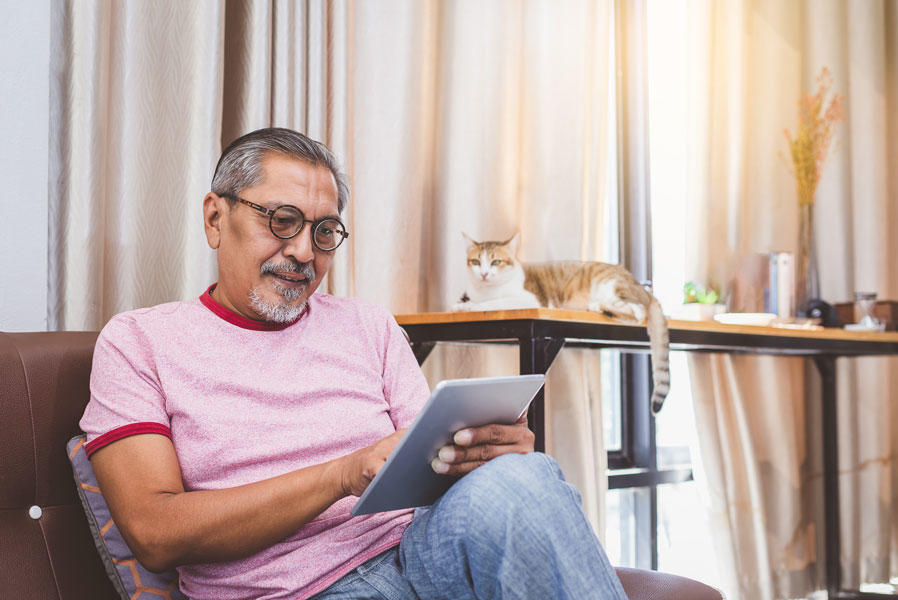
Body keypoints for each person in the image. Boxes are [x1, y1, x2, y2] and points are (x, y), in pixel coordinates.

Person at [81, 127, 629, 600]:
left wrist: (489, 456)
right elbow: (155, 532)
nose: (303, 252)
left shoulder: (368, 325)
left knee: (524, 477)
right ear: (215, 218)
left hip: (420, 553)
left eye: (324, 231)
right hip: (297, 589)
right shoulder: (138, 342)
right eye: (282, 220)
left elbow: (427, 462)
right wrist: (344, 473)